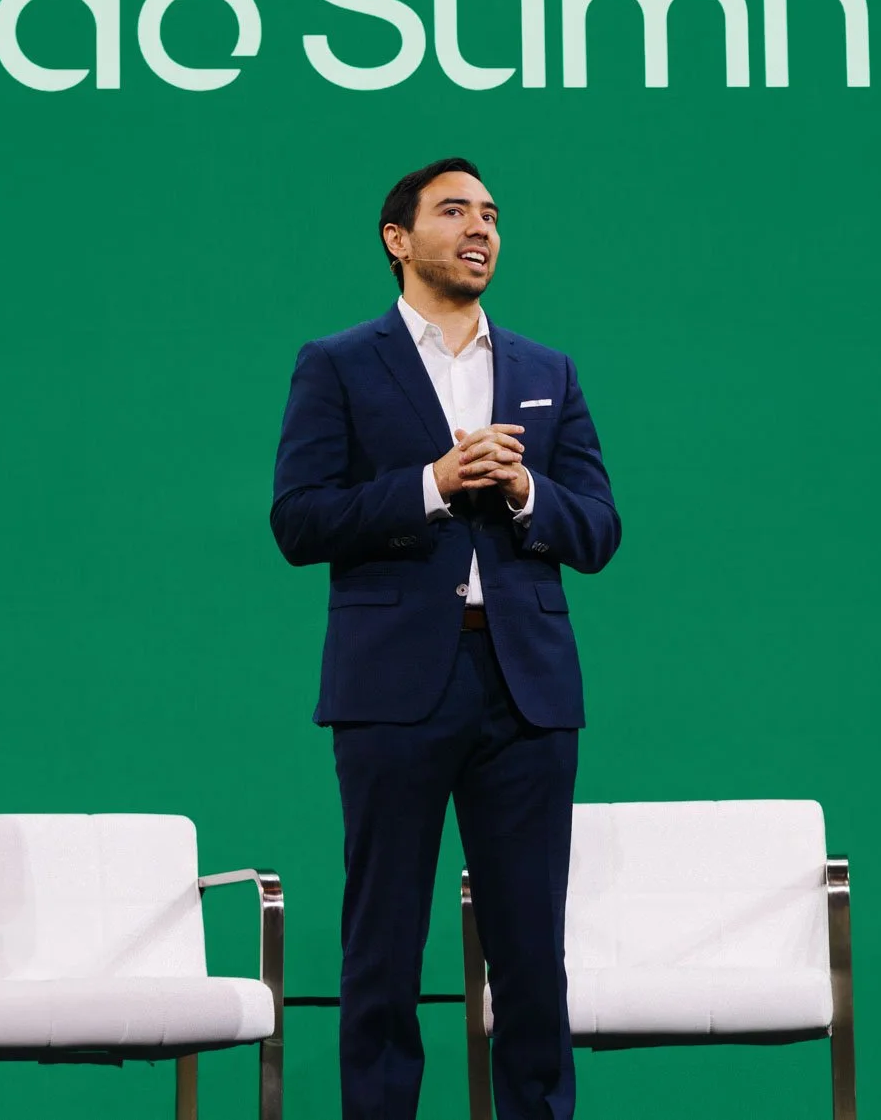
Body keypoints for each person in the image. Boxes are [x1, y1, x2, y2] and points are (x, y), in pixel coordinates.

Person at [270, 157, 622, 1120]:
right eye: (456, 210)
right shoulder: (338, 363)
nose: (482, 228)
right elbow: (298, 519)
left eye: (493, 215)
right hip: (394, 689)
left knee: (532, 953)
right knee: (382, 947)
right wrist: (432, 483)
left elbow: (597, 526)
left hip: (528, 689)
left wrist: (522, 492)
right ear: (398, 239)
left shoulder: (550, 370)